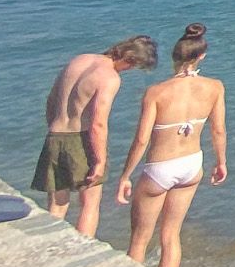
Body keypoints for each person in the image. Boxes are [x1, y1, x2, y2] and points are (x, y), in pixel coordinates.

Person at [115, 24, 227, 267]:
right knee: (171, 235)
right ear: (201, 56)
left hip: (160, 167)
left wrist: (125, 176)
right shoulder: (215, 87)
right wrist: (221, 162)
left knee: (140, 239)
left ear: (174, 57)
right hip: (192, 164)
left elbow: (142, 139)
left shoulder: (156, 92)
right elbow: (218, 130)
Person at [35, 35, 158, 236]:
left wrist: (54, 130)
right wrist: (100, 161)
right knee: (89, 205)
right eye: (133, 67)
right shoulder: (110, 78)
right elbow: (98, 124)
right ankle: (82, 250)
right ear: (130, 59)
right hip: (81, 140)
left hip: (55, 135)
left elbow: (51, 100)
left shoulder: (78, 60)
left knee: (57, 206)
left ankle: (50, 243)